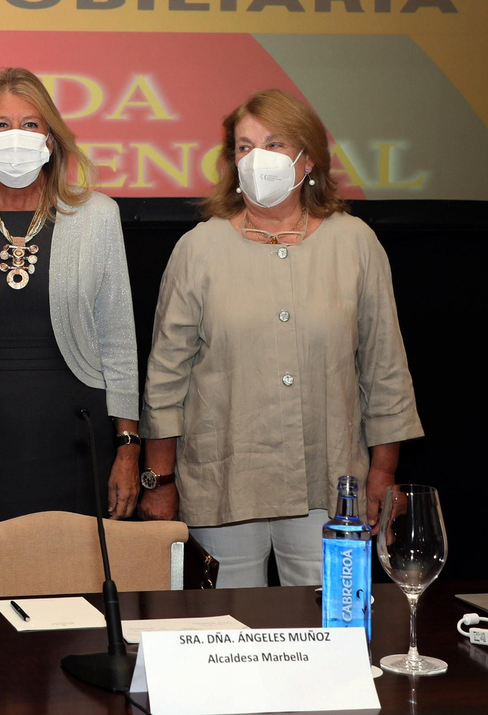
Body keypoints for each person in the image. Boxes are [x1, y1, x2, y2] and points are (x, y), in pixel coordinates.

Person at [138, 89, 423, 588]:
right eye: (244, 147)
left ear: (306, 157)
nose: (256, 160)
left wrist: (383, 471)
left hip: (333, 483)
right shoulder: (198, 248)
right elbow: (165, 378)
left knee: (329, 633)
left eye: (273, 144)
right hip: (223, 480)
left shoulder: (355, 243)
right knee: (224, 636)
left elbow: (385, 369)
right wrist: (159, 482)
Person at [0, 68, 141, 530]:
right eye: (0, 125)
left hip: (76, 445)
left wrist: (128, 450)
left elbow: (119, 345)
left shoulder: (98, 217)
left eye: (31, 125)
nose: (16, 137)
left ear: (51, 141)